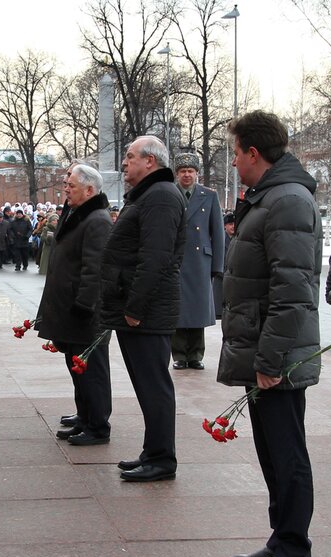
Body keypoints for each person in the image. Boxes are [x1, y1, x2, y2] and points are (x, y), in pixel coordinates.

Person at [218, 110, 322, 557]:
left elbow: (293, 291)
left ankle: (292, 546)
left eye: (236, 152)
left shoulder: (287, 202)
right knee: (273, 452)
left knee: (287, 453)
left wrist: (271, 360)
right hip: (261, 347)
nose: (235, 161)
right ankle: (282, 540)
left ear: (254, 152)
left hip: (273, 354)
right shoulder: (268, 198)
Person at [99, 135, 185, 482]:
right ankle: (153, 452)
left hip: (146, 312)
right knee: (147, 386)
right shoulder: (151, 195)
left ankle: (163, 459)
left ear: (150, 161)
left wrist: (135, 307)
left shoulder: (162, 196)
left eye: (130, 157)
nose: (124, 163)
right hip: (137, 310)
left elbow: (156, 258)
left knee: (155, 386)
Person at [35, 164, 112, 445]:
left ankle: (98, 425)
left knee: (92, 371)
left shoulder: (97, 220)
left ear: (90, 190)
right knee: (77, 367)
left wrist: (84, 305)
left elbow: (95, 270)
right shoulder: (78, 213)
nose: (66, 189)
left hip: (85, 312)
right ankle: (85, 416)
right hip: (70, 308)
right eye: (66, 185)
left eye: (72, 186)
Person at [170, 153, 225, 371]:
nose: (186, 175)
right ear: (177, 174)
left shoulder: (209, 195)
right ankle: (179, 355)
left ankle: (195, 354)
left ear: (197, 174)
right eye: (182, 171)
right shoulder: (170, 193)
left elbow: (218, 232)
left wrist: (217, 265)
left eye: (190, 171)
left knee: (198, 309)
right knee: (178, 307)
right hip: (177, 259)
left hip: (200, 260)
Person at [214, 212, 235, 319]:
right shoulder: (220, 240)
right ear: (224, 225)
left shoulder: (239, 239)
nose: (233, 226)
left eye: (234, 223)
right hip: (221, 283)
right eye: (230, 224)